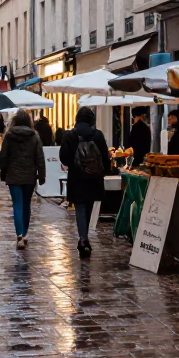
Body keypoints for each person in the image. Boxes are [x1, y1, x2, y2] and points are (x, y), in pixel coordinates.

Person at [58, 106, 111, 258]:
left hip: (77, 178)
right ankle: (84, 237)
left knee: (80, 207)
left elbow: (64, 158)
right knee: (88, 206)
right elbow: (105, 157)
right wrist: (104, 171)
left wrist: (74, 165)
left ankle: (83, 239)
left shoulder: (70, 135)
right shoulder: (98, 134)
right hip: (94, 178)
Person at [0, 109, 47, 249]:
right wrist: (42, 176)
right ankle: (24, 234)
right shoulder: (34, 136)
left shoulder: (9, 136)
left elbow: (4, 156)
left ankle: (19, 234)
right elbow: (40, 158)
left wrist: (3, 173)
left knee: (17, 205)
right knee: (26, 205)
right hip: (29, 175)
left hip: (14, 175)